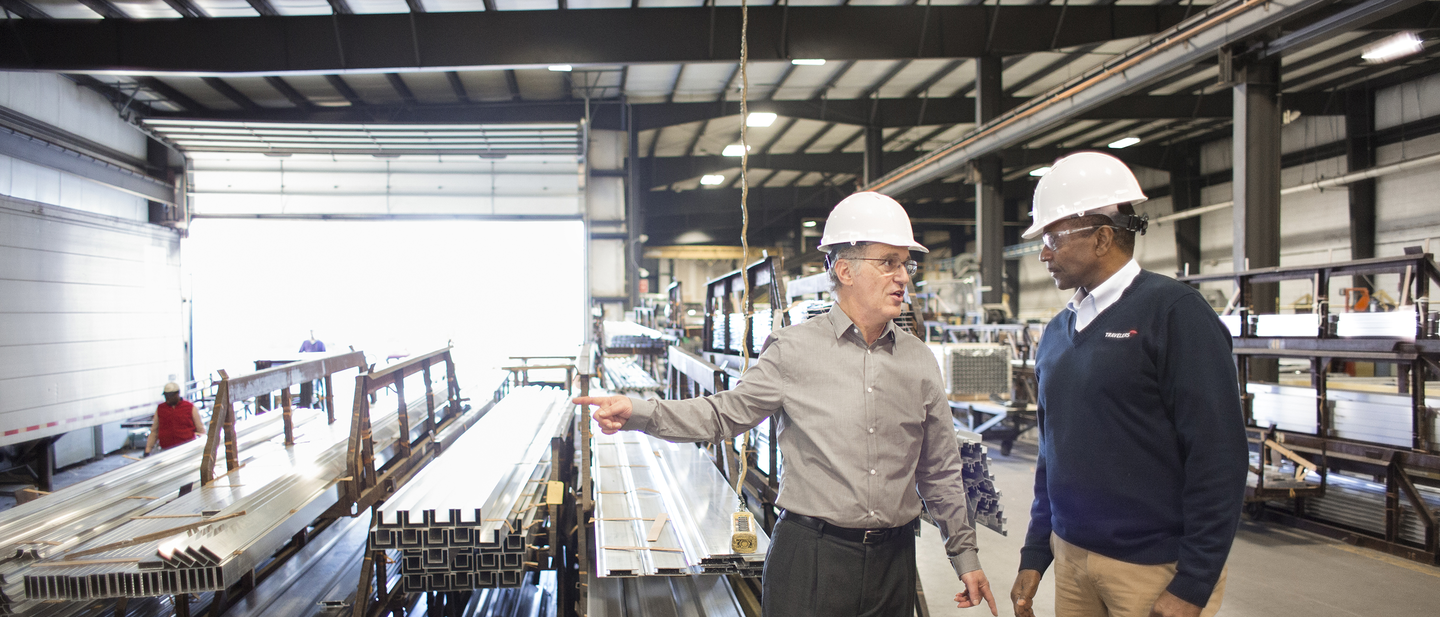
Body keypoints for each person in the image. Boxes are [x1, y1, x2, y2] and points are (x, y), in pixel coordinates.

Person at [575, 192, 998, 617]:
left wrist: (965, 556)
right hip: (811, 557)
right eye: (888, 262)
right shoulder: (792, 350)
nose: (903, 276)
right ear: (845, 270)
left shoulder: (919, 360)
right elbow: (724, 414)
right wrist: (641, 412)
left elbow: (940, 468)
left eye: (907, 263)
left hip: (894, 562)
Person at [1009, 152, 1247, 617]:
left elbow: (1220, 455)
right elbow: (1052, 451)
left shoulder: (1175, 314)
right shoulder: (1058, 332)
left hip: (1153, 569)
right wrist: (1037, 551)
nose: (1043, 253)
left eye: (1054, 237)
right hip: (1071, 557)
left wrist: (1193, 584)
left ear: (1102, 238)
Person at [145, 382, 205, 456]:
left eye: (170, 396)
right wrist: (148, 450)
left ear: (177, 394)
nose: (167, 399)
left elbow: (200, 429)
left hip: (187, 449)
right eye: (166, 396)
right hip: (166, 450)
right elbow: (154, 431)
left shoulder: (190, 407)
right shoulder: (160, 409)